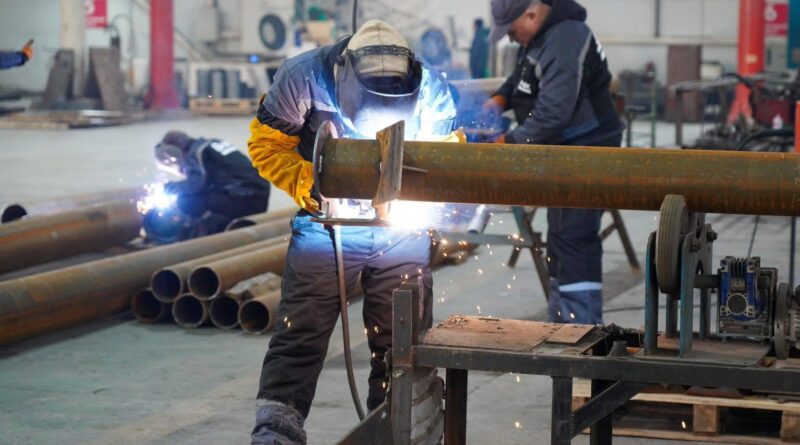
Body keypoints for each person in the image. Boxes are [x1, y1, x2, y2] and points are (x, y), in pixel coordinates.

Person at [247, 19, 457, 444]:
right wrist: (312, 187)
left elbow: (448, 155)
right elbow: (266, 146)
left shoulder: (432, 90)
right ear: (343, 80)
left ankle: (398, 428)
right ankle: (276, 432)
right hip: (326, 225)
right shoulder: (302, 78)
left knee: (403, 343)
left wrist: (417, 194)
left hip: (400, 231)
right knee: (300, 331)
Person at [485, 0, 624, 324]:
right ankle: (563, 319)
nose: (511, 38)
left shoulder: (566, 38)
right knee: (560, 234)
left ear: (532, 14)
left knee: (575, 236)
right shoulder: (541, 35)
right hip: (566, 148)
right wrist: (501, 98)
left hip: (589, 148)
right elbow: (524, 76)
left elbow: (553, 113)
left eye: (512, 31)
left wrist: (510, 144)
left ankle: (581, 327)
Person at [144, 131, 270, 243]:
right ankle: (219, 224)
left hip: (244, 200)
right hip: (257, 197)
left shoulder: (196, 153)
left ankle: (206, 232)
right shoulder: (208, 145)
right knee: (205, 195)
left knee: (187, 201)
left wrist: (169, 188)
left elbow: (195, 184)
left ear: (173, 153)